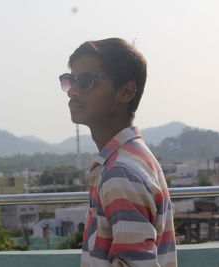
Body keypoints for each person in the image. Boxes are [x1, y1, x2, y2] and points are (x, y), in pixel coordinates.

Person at [59, 38, 177, 267]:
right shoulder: (132, 157)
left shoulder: (120, 172)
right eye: (69, 81)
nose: (72, 91)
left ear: (125, 92)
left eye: (85, 81)